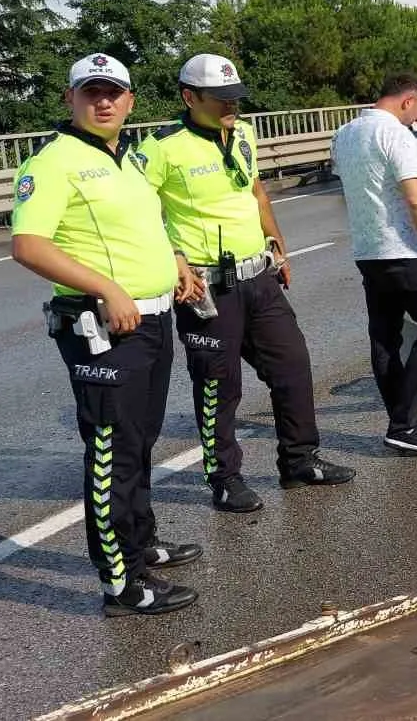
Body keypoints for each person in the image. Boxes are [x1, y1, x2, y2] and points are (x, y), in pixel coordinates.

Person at [10, 54, 203, 616]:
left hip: (153, 319)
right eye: (91, 92)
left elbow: (141, 227)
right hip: (103, 328)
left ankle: (141, 545)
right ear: (70, 99)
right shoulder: (53, 162)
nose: (103, 102)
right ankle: (121, 583)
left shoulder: (129, 159)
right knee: (111, 454)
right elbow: (30, 245)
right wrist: (107, 287)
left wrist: (176, 261)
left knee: (140, 442)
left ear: (130, 101)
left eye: (113, 92)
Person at [136, 54, 355, 513]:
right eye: (221, 100)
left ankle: (299, 460)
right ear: (189, 97)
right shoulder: (162, 148)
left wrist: (277, 242)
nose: (231, 106)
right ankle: (225, 479)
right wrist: (174, 259)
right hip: (207, 289)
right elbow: (137, 213)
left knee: (293, 366)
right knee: (220, 386)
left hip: (259, 276)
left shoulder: (244, 134)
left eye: (235, 97)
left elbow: (254, 191)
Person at [331, 73, 417, 455]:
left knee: (385, 338)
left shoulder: (346, 133)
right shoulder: (396, 135)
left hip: (367, 252)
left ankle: (403, 419)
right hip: (402, 249)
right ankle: (404, 423)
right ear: (407, 99)